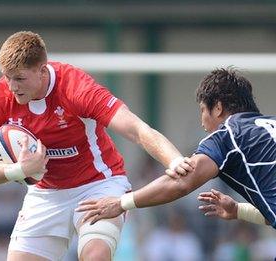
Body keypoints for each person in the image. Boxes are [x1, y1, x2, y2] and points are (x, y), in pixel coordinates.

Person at [0, 31, 192, 261]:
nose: (12, 87)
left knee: (95, 257)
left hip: (98, 185)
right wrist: (19, 170)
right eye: (6, 77)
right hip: (45, 193)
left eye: (19, 78)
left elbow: (137, 129)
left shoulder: (76, 88)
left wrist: (174, 160)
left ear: (42, 70)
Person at [77, 68, 276, 231]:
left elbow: (183, 182)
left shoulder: (229, 135)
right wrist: (238, 210)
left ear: (217, 108)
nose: (202, 122)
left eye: (202, 111)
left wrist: (121, 203)